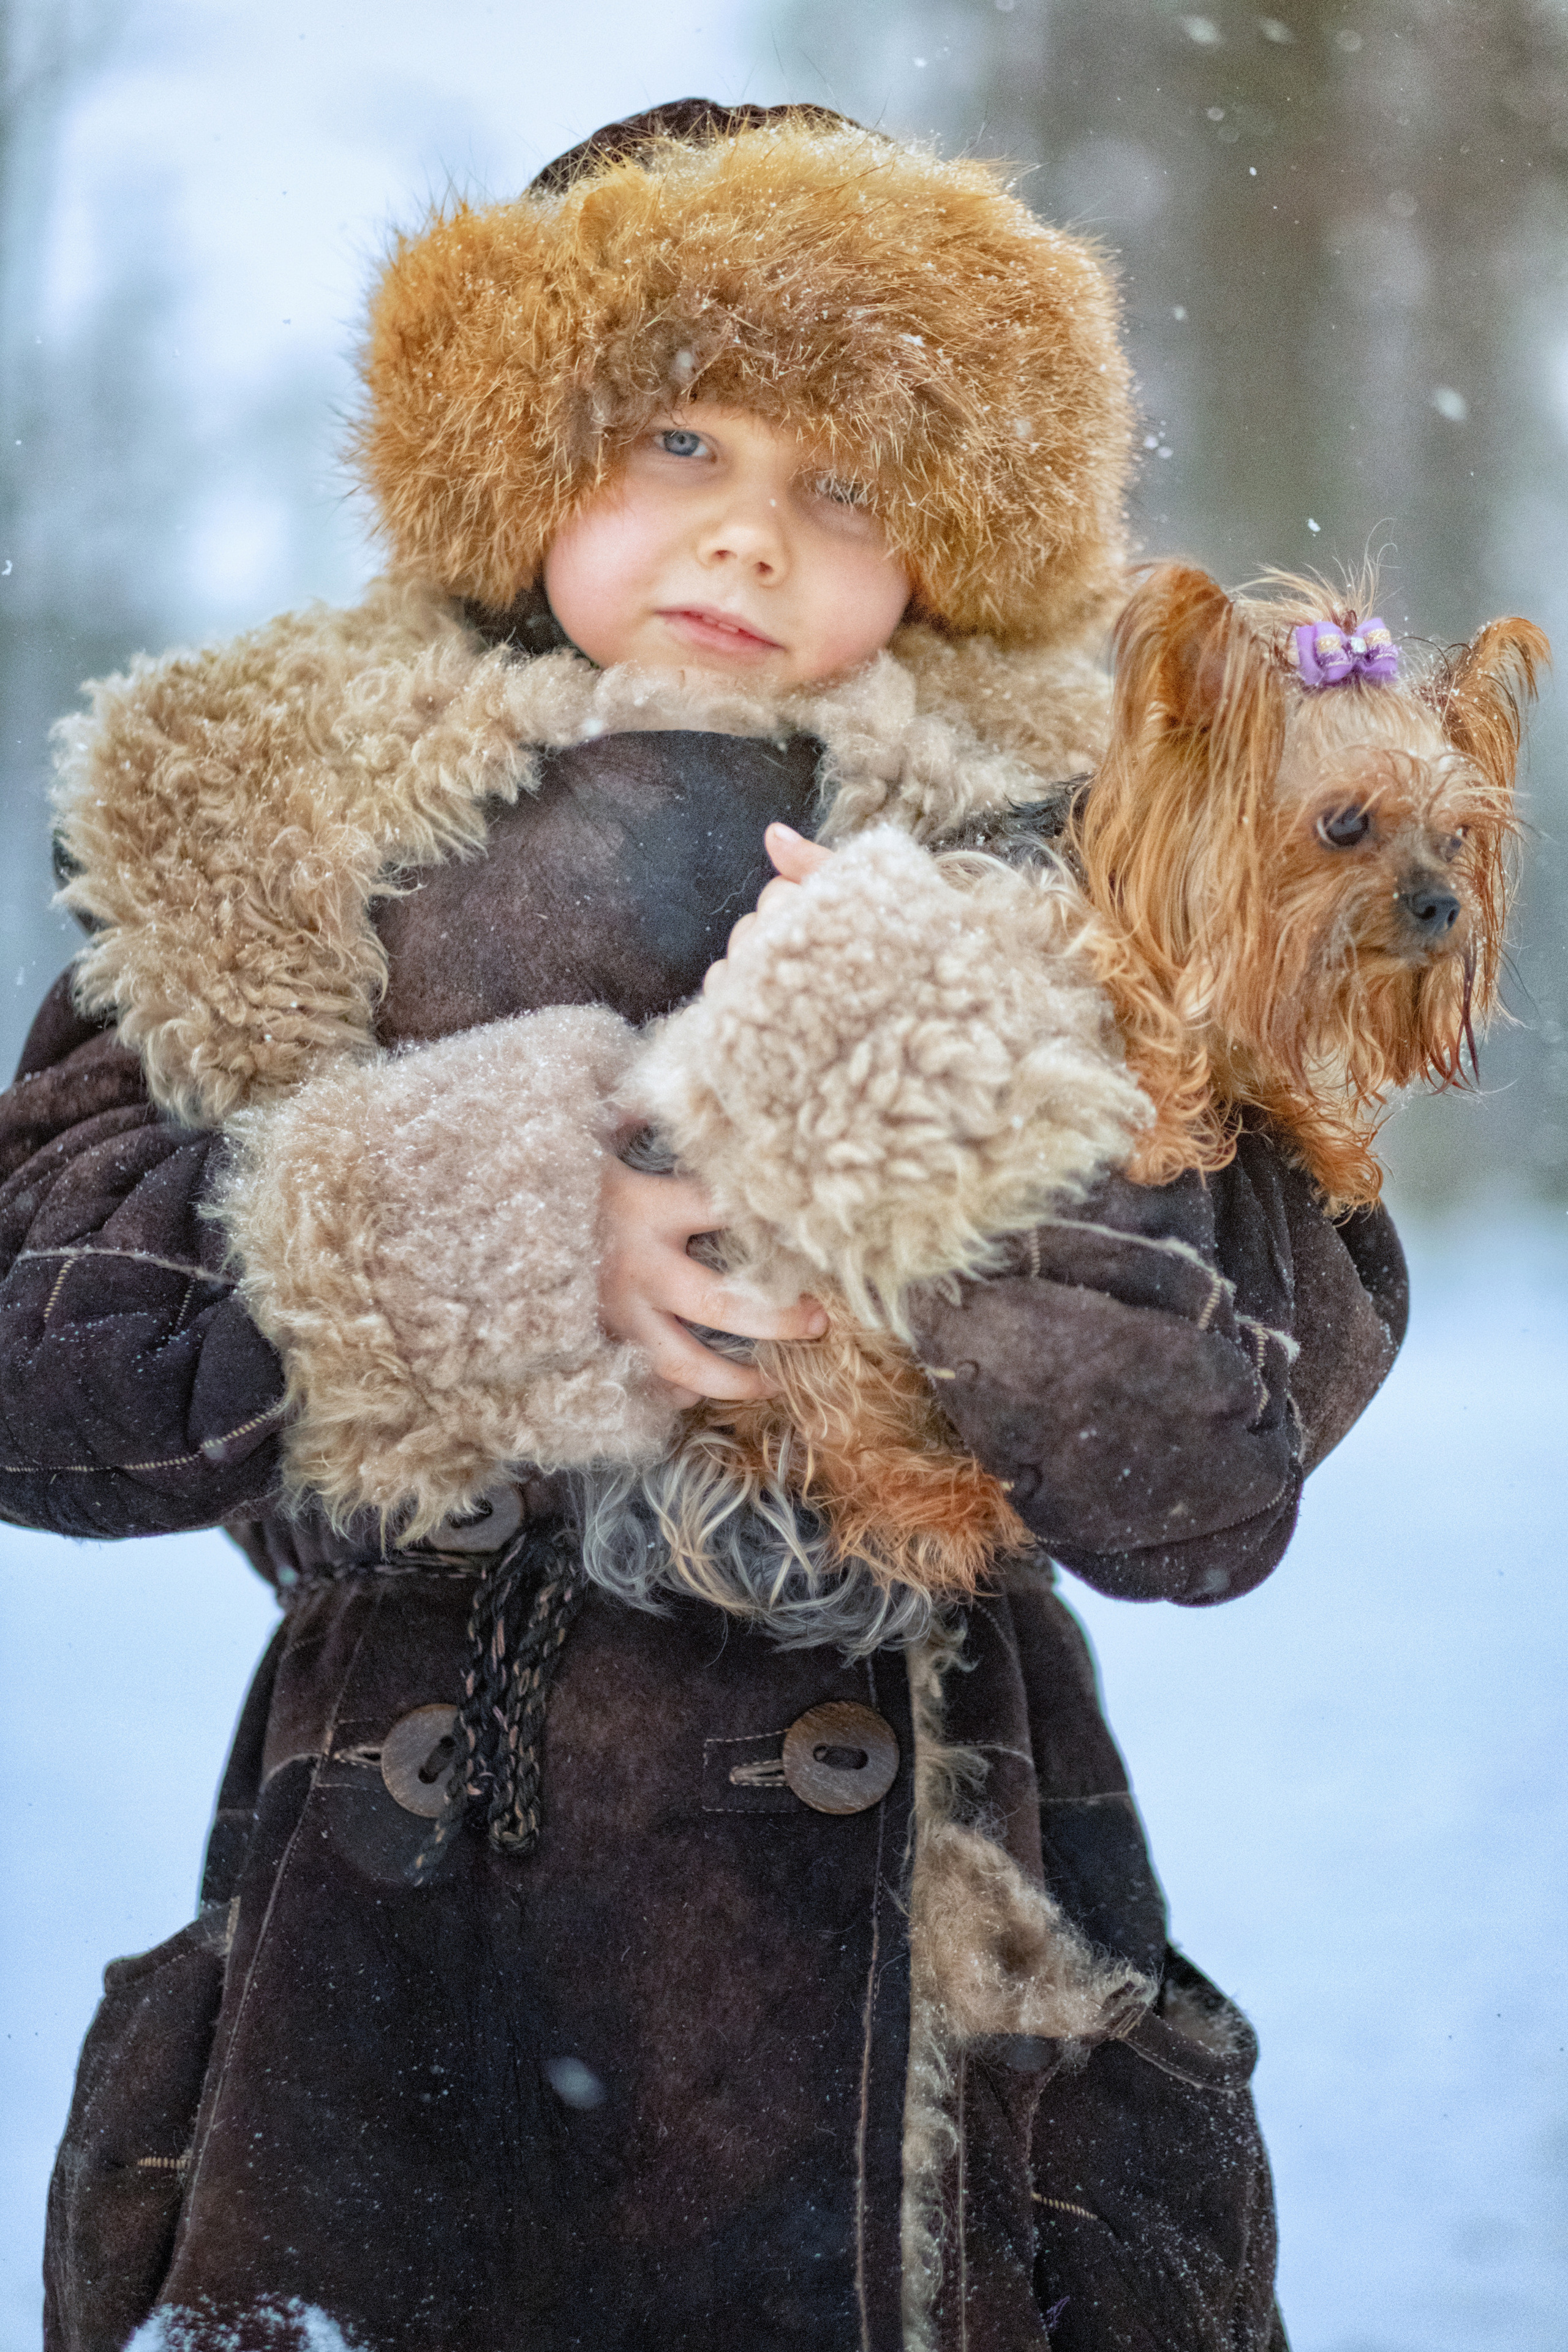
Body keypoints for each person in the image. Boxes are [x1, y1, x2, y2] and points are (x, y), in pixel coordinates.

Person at [5, 102, 1408, 2352]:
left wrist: (946, 1075)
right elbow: (44, 1358)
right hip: (400, 1939)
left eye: (846, 483)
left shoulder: (1115, 851)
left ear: (953, 533)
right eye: (675, 438)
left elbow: (1224, 1468)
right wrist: (503, 1218)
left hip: (944, 1947)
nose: (749, 541)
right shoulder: (252, 817)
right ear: (519, 447)